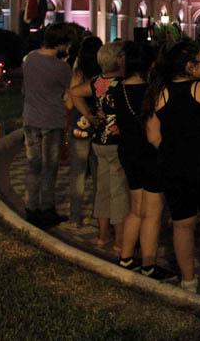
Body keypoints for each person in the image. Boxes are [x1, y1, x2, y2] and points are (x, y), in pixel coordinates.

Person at [145, 40, 200, 293]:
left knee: (182, 223)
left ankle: (188, 279)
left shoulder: (158, 92)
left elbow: (153, 136)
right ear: (191, 65)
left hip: (174, 164)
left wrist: (174, 151)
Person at [113, 41, 174, 280]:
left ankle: (126, 258)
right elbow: (154, 132)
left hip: (128, 153)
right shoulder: (153, 91)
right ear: (150, 63)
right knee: (152, 213)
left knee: (136, 209)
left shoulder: (118, 89)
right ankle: (149, 263)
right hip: (151, 155)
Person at [71, 41, 129, 252]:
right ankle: (121, 240)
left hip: (98, 141)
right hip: (117, 142)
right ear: (118, 59)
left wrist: (88, 114)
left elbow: (74, 92)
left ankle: (102, 236)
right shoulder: (122, 84)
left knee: (102, 190)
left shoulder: (96, 82)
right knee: (119, 192)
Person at [22, 23, 74, 229]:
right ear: (61, 44)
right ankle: (46, 209)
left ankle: (30, 207)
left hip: (30, 119)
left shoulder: (30, 59)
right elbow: (68, 92)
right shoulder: (62, 67)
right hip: (52, 121)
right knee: (50, 168)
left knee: (34, 166)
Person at [65, 35, 103, 227]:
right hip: (98, 124)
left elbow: (70, 99)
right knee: (98, 173)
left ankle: (74, 216)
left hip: (79, 125)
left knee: (77, 173)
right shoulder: (103, 72)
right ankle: (97, 215)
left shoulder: (79, 72)